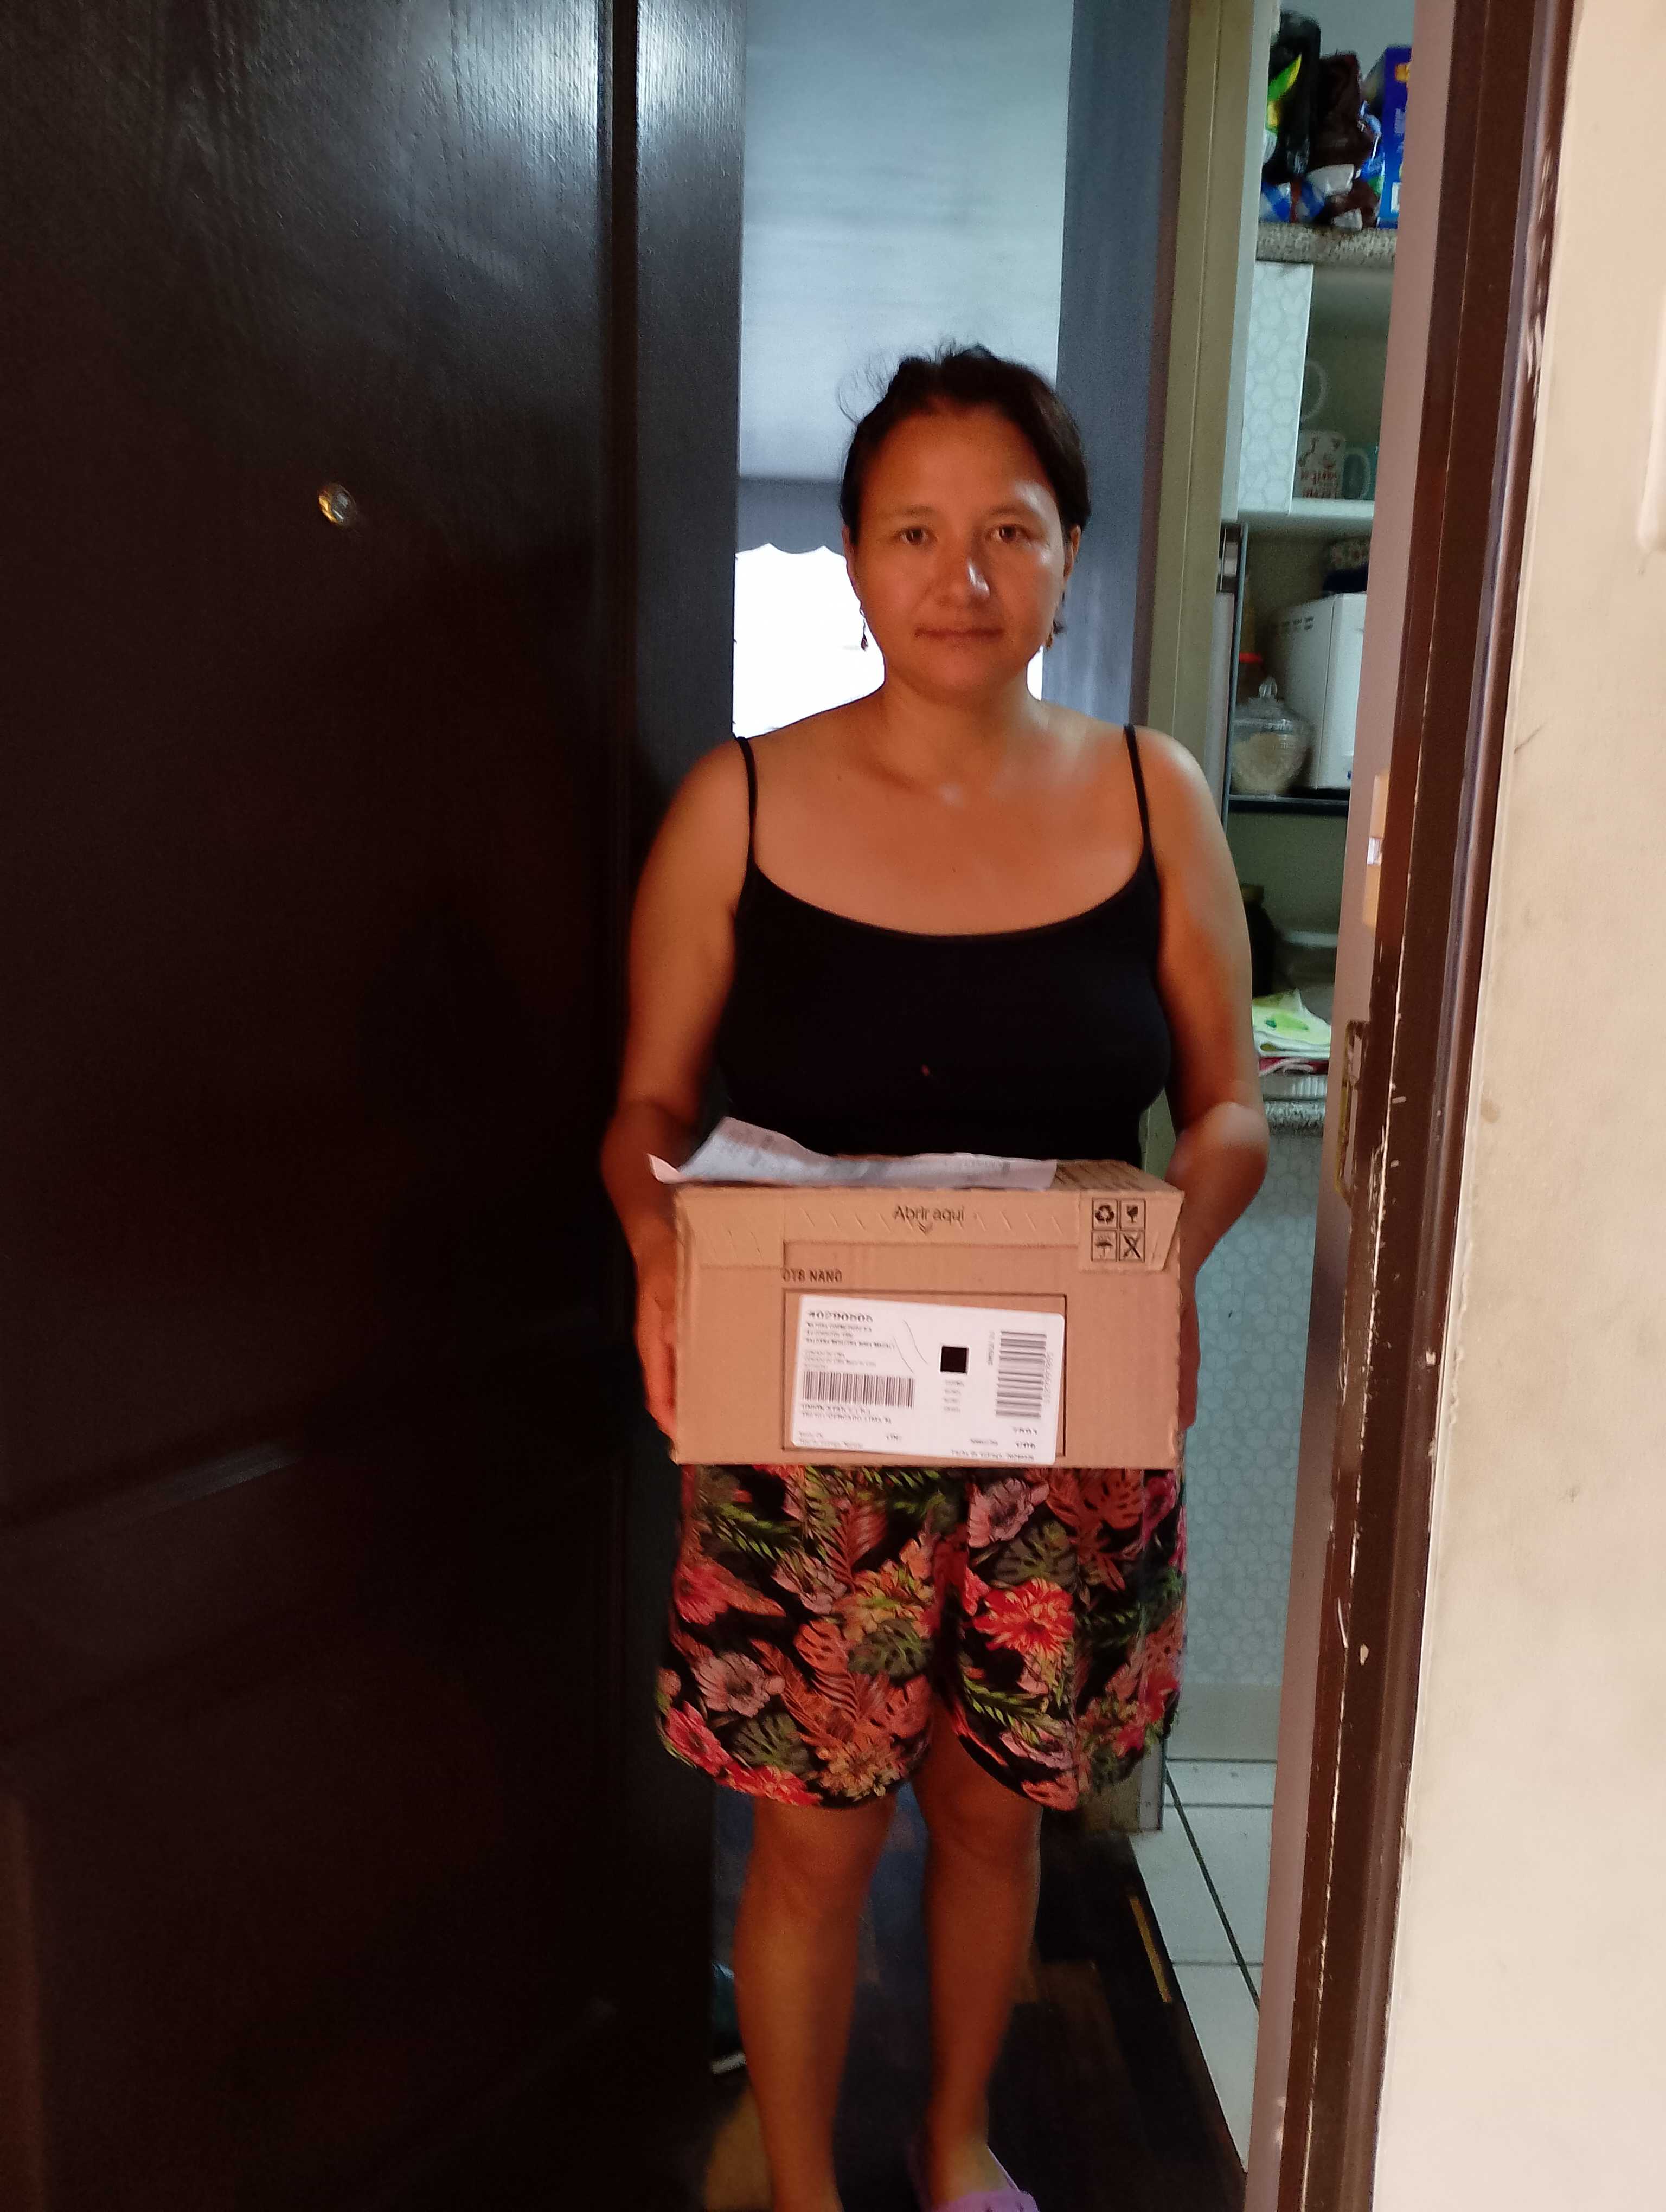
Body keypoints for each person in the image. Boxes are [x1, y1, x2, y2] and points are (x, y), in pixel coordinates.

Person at [601, 346, 1268, 2212]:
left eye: (1009, 532)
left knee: (995, 1819)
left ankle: (956, 2141)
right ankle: (808, 2186)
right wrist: (657, 1241)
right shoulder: (738, 804)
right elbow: (648, 1108)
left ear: (1069, 556)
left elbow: (1229, 1107)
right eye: (914, 532)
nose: (961, 576)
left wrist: (1170, 1249)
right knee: (814, 1843)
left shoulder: (1156, 796)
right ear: (852, 559)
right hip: (808, 1431)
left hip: (1068, 1427)